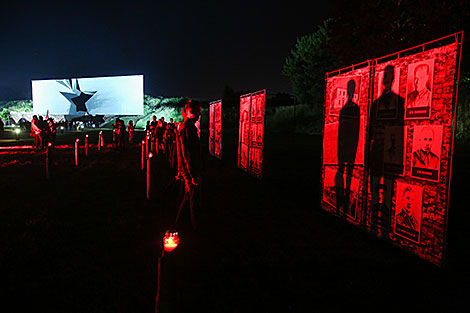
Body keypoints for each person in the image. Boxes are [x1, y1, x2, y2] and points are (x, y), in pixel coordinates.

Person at [175, 100, 202, 230]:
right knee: (193, 198)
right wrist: (192, 174)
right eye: (197, 112)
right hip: (189, 169)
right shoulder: (188, 128)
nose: (199, 115)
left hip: (187, 168)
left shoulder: (188, 127)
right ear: (190, 112)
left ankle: (178, 223)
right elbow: (187, 153)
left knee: (188, 196)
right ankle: (196, 227)